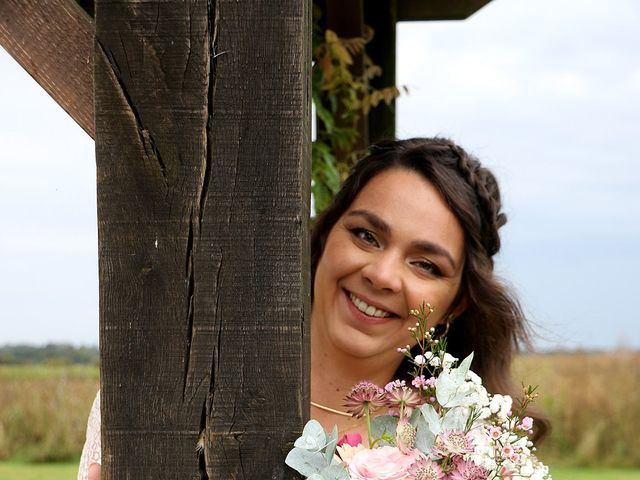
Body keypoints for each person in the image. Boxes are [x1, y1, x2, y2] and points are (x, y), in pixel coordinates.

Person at [78, 137, 546, 479]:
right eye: (366, 235)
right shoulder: (164, 385)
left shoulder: (461, 456)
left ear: (455, 305)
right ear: (325, 238)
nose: (381, 275)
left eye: (424, 264)